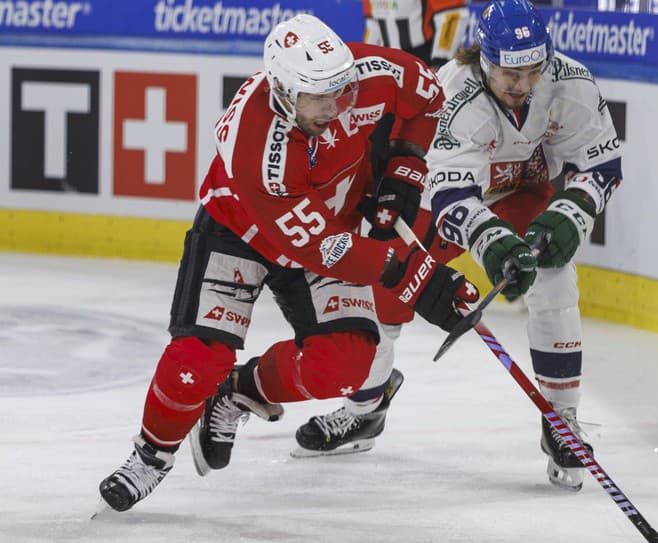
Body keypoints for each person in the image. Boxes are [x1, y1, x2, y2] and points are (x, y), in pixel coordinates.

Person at [97, 14, 479, 513]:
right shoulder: (255, 141)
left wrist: (404, 167)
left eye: (342, 90)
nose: (337, 106)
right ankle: (152, 455)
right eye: (318, 97)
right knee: (198, 359)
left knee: (345, 361)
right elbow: (316, 247)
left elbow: (428, 99)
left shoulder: (372, 73)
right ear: (280, 89)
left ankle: (237, 392)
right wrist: (416, 279)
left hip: (329, 224)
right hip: (242, 229)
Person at [292, 0, 623, 492]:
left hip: (519, 191)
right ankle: (366, 407)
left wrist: (571, 213)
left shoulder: (571, 83)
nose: (521, 84)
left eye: (532, 70)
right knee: (385, 288)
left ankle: (562, 419)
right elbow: (451, 194)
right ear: (484, 59)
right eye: (510, 71)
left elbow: (601, 165)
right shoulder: (455, 92)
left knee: (554, 272)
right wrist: (492, 243)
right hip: (444, 197)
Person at [363, 0, 469, 70]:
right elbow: (373, 25)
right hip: (387, 63)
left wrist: (439, 62)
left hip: (424, 60)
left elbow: (453, 15)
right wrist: (364, 61)